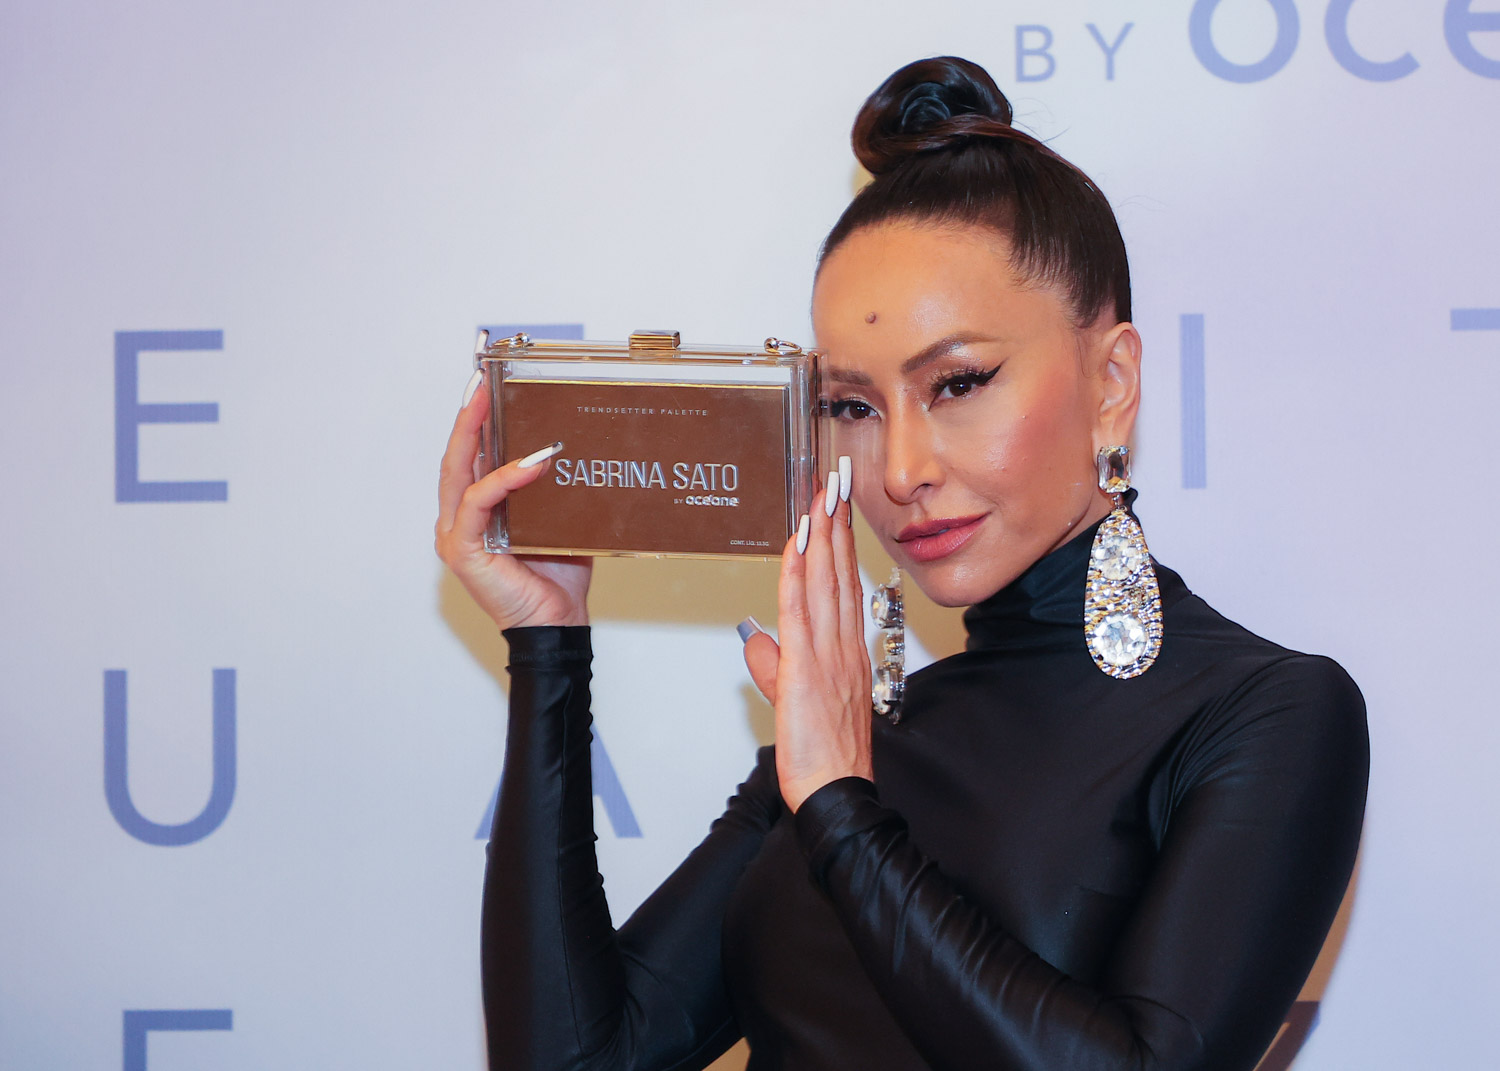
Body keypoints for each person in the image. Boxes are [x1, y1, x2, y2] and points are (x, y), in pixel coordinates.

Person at [435, 56, 1368, 1071]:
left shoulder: (1264, 713)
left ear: (1111, 382)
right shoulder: (847, 735)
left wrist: (843, 811)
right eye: (852, 406)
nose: (900, 470)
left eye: (958, 383)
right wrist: (548, 643)